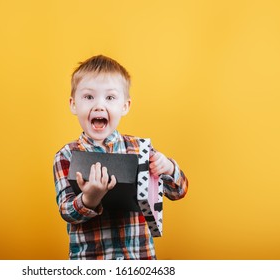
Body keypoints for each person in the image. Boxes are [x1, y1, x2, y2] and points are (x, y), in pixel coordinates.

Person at [53, 55, 188, 260]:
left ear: (125, 106)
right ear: (73, 104)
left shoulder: (141, 150)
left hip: (138, 259)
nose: (99, 106)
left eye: (110, 98)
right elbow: (66, 210)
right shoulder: (66, 156)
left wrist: (168, 167)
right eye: (89, 97)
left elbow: (179, 191)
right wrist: (89, 199)